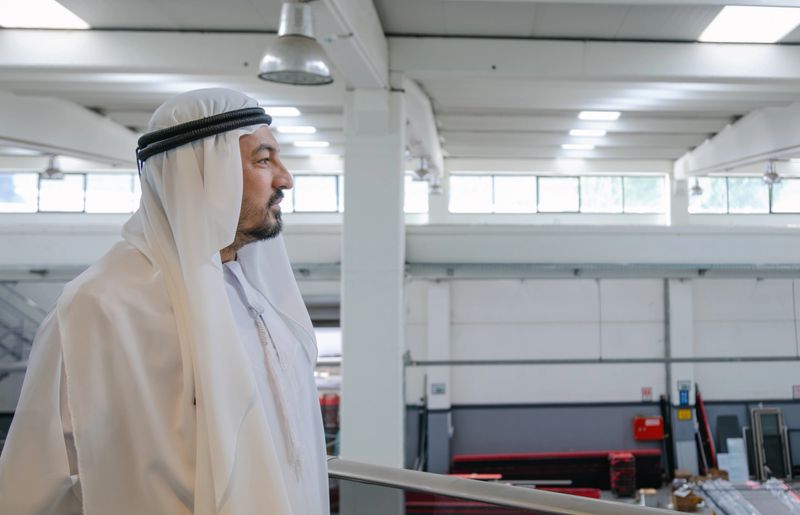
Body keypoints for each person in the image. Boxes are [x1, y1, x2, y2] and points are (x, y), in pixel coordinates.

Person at [0, 88, 330, 514]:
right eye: (263, 160)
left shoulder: (255, 297)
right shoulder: (102, 303)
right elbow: (38, 480)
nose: (285, 179)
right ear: (201, 173)